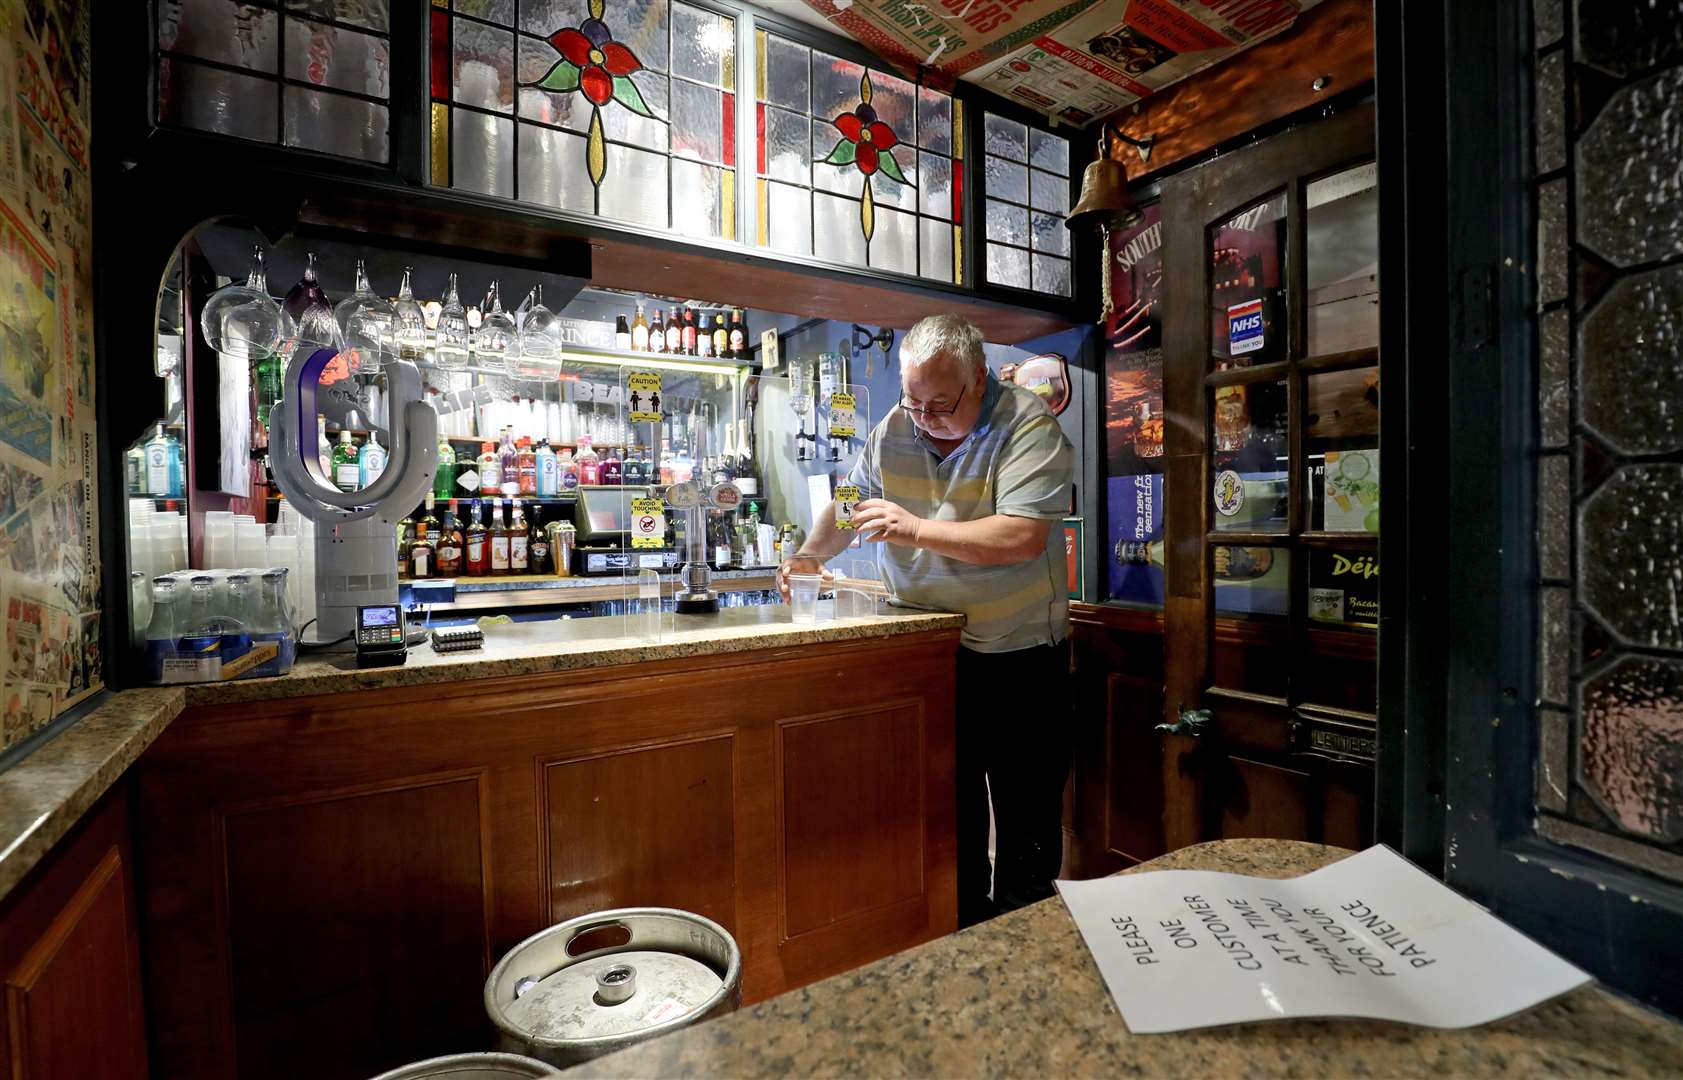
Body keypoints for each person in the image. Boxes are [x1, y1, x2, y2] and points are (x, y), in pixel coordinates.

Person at [778, 314, 1076, 926]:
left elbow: (1021, 536)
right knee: (947, 817)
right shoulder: (894, 430)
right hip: (930, 656)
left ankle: (1028, 949)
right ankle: (961, 936)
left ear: (980, 379)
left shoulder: (1029, 425)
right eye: (912, 401)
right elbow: (850, 505)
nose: (923, 417)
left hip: (1020, 656)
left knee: (1025, 826)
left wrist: (915, 528)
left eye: (940, 404)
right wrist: (810, 553)